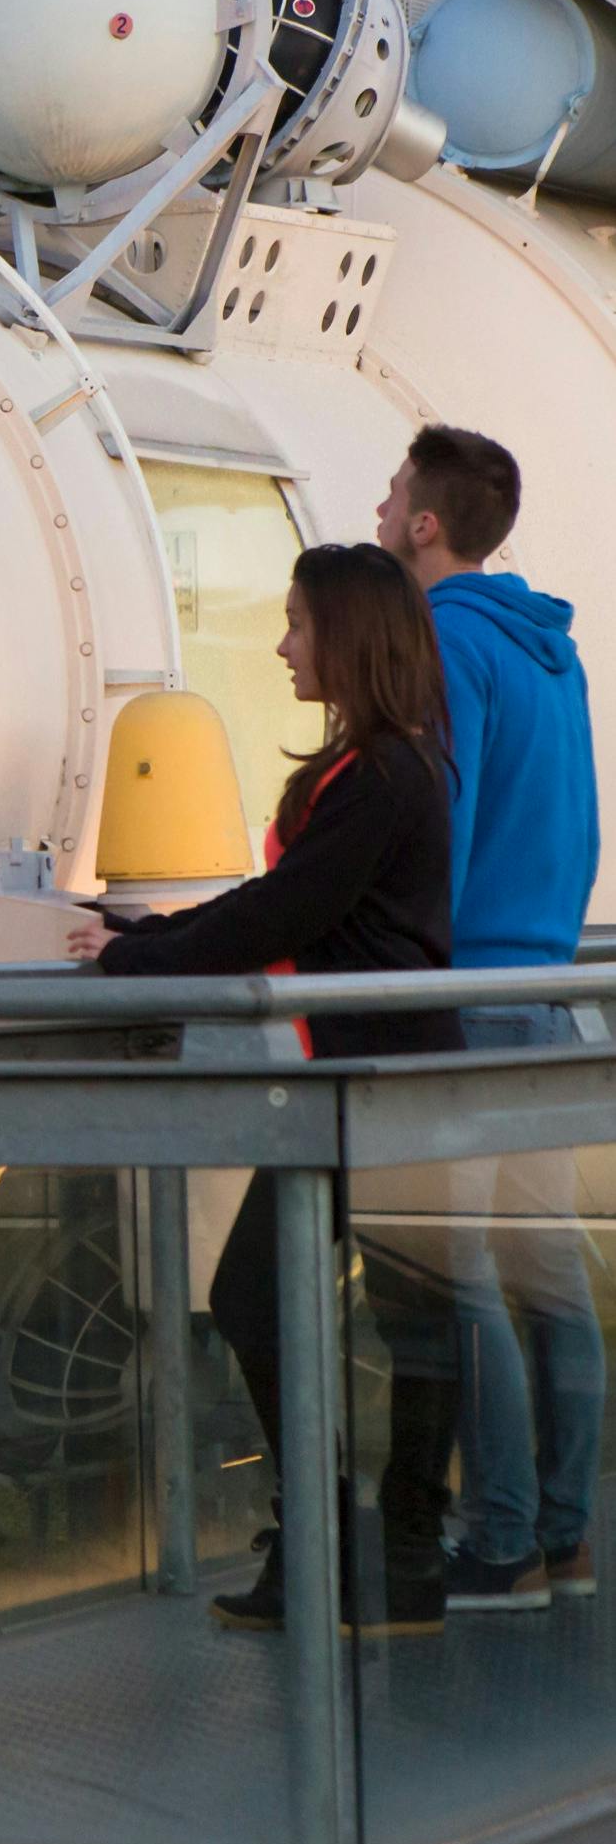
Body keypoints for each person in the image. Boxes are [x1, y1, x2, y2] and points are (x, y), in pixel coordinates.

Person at [66, 544, 464, 1634]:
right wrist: (152, 932)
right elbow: (282, 898)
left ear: (348, 637)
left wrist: (137, 958)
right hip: (375, 1081)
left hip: (375, 1085)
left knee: (310, 1304)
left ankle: (360, 1551)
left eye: (296, 622)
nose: (282, 644)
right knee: (390, 1313)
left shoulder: (381, 775)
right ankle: (371, 1553)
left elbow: (283, 911)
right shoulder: (387, 767)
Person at [377, 425, 603, 1611]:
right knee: (550, 1277)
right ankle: (565, 1538)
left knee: (454, 1272)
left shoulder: (443, 641)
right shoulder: (551, 652)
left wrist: (408, 968)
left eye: (390, 496)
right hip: (546, 994)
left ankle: (501, 1538)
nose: (377, 511)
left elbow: (438, 830)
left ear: (425, 522)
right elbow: (579, 825)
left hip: (462, 998)